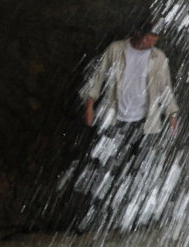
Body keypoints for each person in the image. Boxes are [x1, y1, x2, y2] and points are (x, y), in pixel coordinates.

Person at [71, 16, 181, 229]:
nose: (151, 43)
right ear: (138, 33)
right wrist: (90, 105)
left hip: (145, 123)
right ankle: (97, 219)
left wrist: (172, 115)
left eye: (155, 39)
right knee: (105, 168)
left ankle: (132, 220)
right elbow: (98, 76)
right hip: (115, 119)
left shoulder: (158, 57)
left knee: (139, 171)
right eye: (149, 38)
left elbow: (165, 88)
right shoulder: (116, 49)